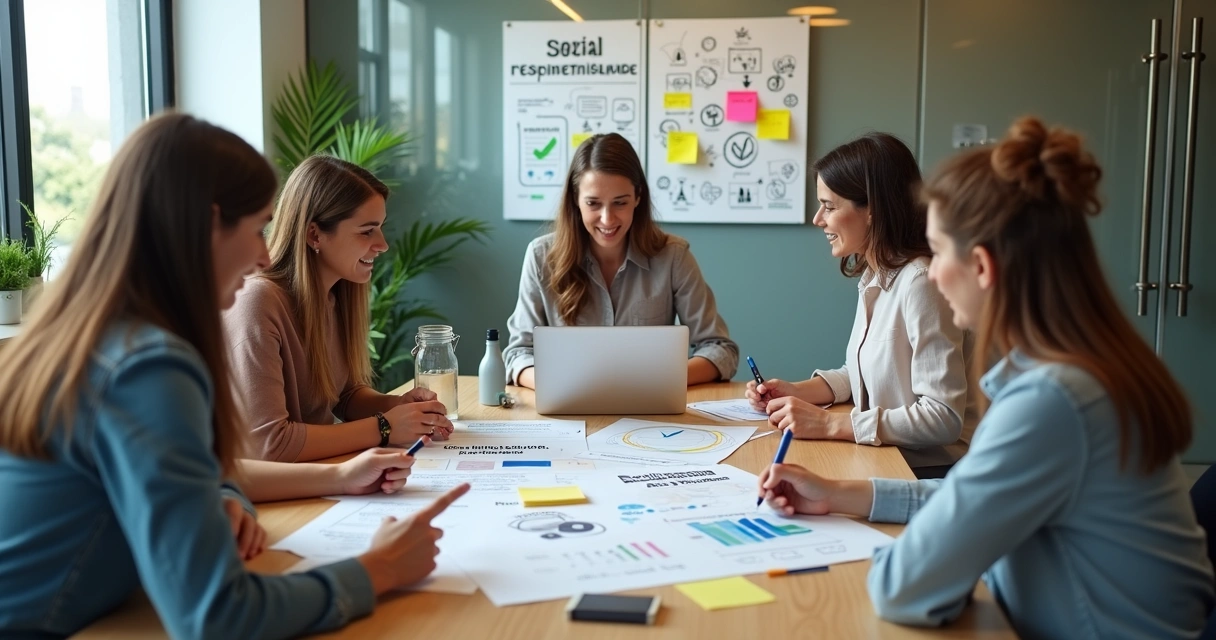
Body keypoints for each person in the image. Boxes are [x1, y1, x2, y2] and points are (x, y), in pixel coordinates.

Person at [0, 113, 470, 639]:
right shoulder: (149, 367)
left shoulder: (102, 336)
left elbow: (208, 469)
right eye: (255, 229)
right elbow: (219, 617)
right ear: (205, 225)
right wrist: (379, 568)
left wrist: (227, 496)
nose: (266, 254)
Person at [756, 118, 1214, 638]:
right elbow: (973, 499)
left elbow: (904, 588)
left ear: (981, 266)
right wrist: (840, 494)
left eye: (939, 250)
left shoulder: (1051, 402)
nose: (933, 270)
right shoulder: (1068, 372)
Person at [745, 132, 976, 475]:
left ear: (873, 210)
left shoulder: (920, 283)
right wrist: (798, 391)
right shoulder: (876, 275)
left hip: (934, 471)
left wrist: (829, 424)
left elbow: (943, 418)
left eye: (829, 206)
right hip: (888, 457)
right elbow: (862, 373)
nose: (818, 219)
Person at [224, 155, 454, 463]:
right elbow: (269, 445)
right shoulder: (258, 303)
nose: (383, 244)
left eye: (381, 228)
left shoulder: (334, 297)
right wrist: (384, 427)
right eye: (367, 230)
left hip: (316, 478)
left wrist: (395, 405)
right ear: (315, 235)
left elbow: (343, 395)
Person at [504, 133, 738, 388]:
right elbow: (518, 353)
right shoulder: (541, 257)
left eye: (620, 203)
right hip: (567, 407)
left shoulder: (674, 257)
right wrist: (562, 384)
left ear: (637, 197)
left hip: (650, 410)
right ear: (575, 200)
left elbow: (720, 349)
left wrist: (657, 380)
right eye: (593, 203)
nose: (607, 219)